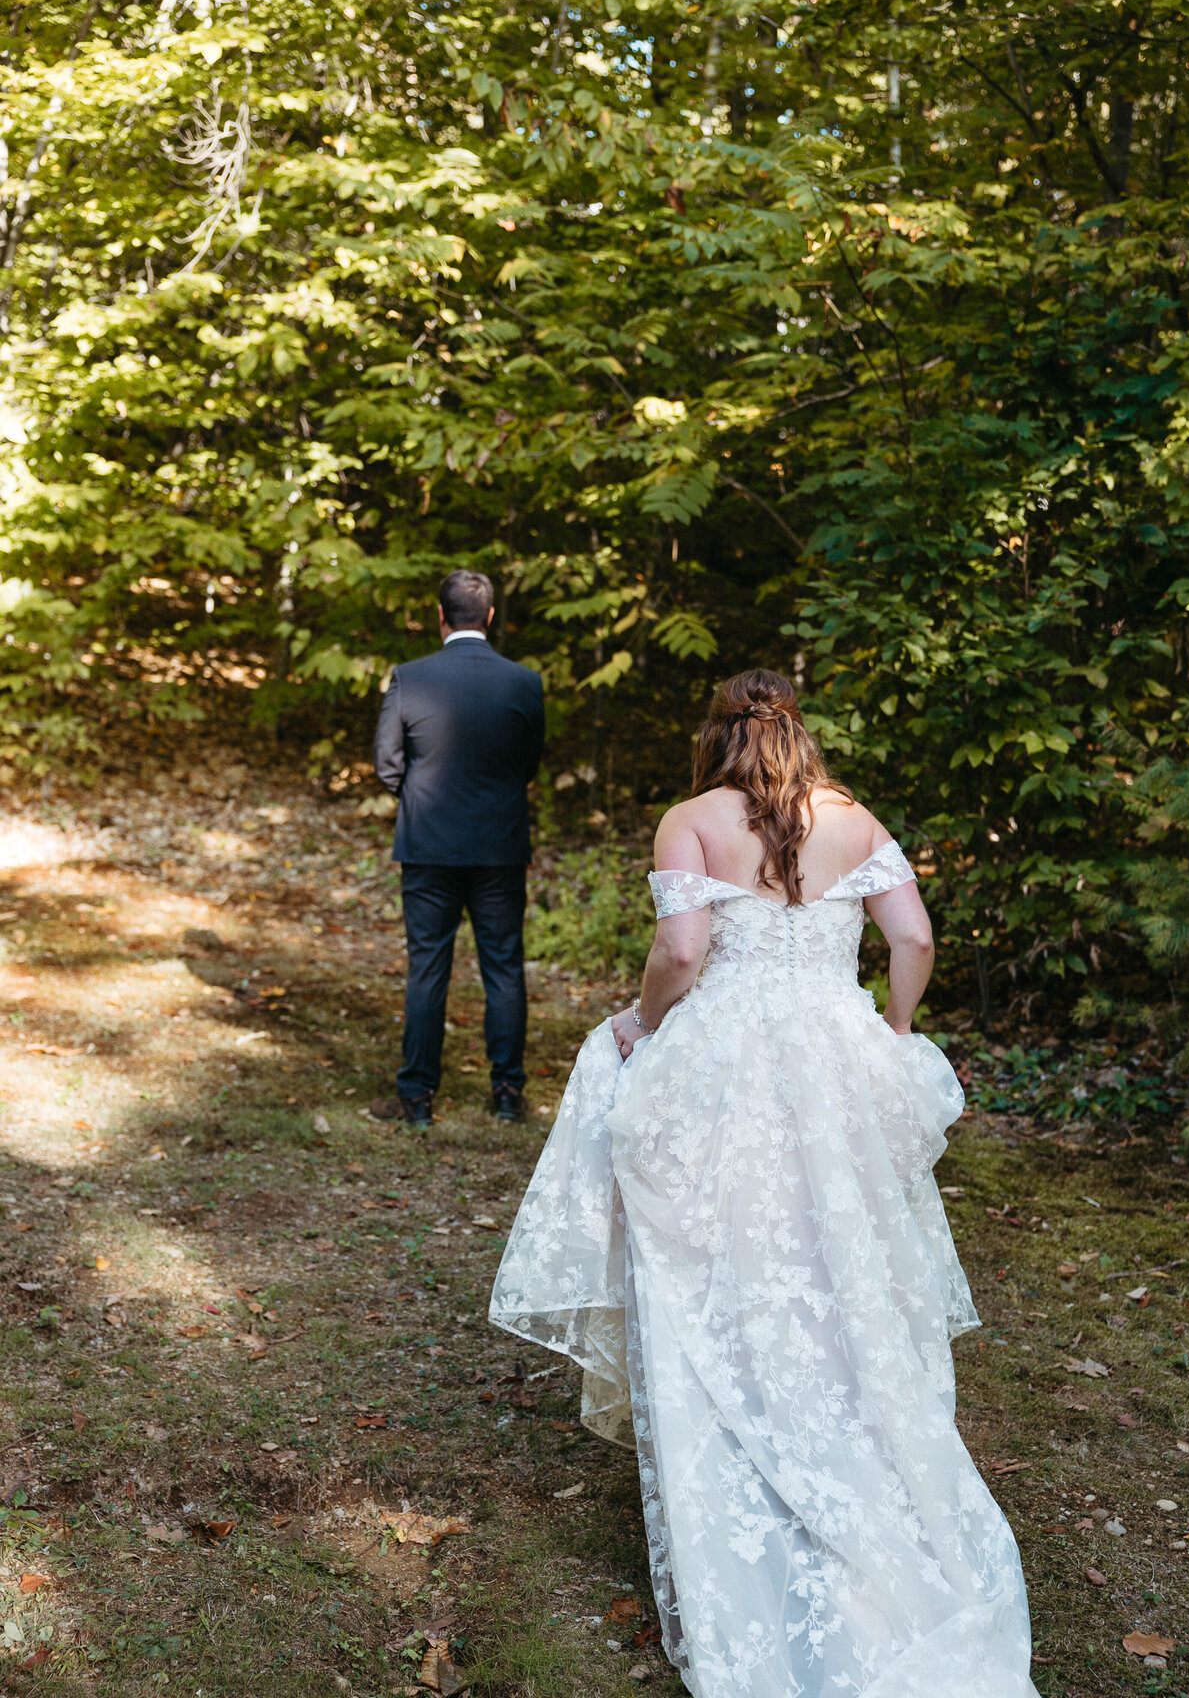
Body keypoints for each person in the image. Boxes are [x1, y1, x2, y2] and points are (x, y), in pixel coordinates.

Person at [491, 668, 1041, 1697]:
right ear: (797, 730)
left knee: (720, 1250)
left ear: (717, 735)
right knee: (842, 1250)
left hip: (729, 1056)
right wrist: (896, 1030)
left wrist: (643, 1023)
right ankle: (844, 1411)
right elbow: (913, 938)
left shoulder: (692, 820)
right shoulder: (854, 818)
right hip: (837, 1056)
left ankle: (742, 1414)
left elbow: (681, 949)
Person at [371, 569, 545, 1125]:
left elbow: (386, 765)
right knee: (504, 967)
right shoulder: (525, 682)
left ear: (440, 615)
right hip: (500, 847)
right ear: (490, 616)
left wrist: (425, 801)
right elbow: (528, 765)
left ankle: (417, 1097)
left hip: (428, 846)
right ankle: (507, 1094)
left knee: (427, 968)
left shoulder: (410, 678)